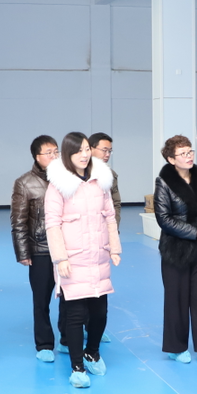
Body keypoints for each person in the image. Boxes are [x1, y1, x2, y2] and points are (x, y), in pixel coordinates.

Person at [45, 132, 122, 388]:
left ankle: (92, 352)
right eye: (78, 150)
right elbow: (52, 224)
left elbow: (109, 216)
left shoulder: (100, 181)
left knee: (100, 313)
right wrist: (60, 258)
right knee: (76, 316)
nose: (84, 154)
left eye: (87, 149)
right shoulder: (58, 186)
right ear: (68, 154)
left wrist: (114, 248)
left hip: (98, 257)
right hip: (73, 260)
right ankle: (77, 367)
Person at [153, 134, 197, 366]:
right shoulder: (163, 182)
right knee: (176, 299)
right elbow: (163, 218)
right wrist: (194, 232)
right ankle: (176, 347)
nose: (189, 156)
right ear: (172, 159)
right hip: (176, 250)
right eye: (183, 153)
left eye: (190, 151)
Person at [11, 135, 61, 361]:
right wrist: (23, 252)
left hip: (66, 249)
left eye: (56, 151)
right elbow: (18, 221)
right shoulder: (24, 183)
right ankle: (44, 344)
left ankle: (68, 338)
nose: (54, 156)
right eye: (48, 153)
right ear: (36, 157)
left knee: (70, 298)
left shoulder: (67, 178)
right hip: (40, 249)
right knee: (41, 300)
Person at [88, 132, 119, 343]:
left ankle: (93, 329)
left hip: (103, 240)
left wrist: (113, 234)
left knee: (99, 288)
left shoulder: (110, 175)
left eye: (110, 151)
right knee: (76, 290)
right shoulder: (75, 175)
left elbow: (115, 206)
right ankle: (67, 334)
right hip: (82, 241)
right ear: (90, 149)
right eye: (104, 150)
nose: (107, 154)